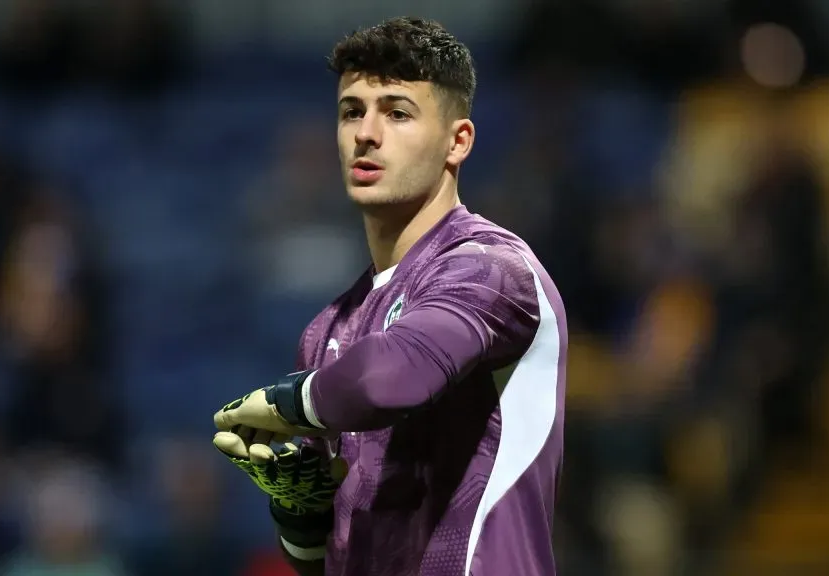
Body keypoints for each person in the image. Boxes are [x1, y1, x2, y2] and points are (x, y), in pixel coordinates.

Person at [213, 17, 567, 576]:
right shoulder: (327, 331)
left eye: (397, 113)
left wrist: (289, 401)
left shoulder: (493, 272)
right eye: (352, 111)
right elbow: (332, 558)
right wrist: (301, 518)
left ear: (458, 141)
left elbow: (390, 376)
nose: (366, 132)